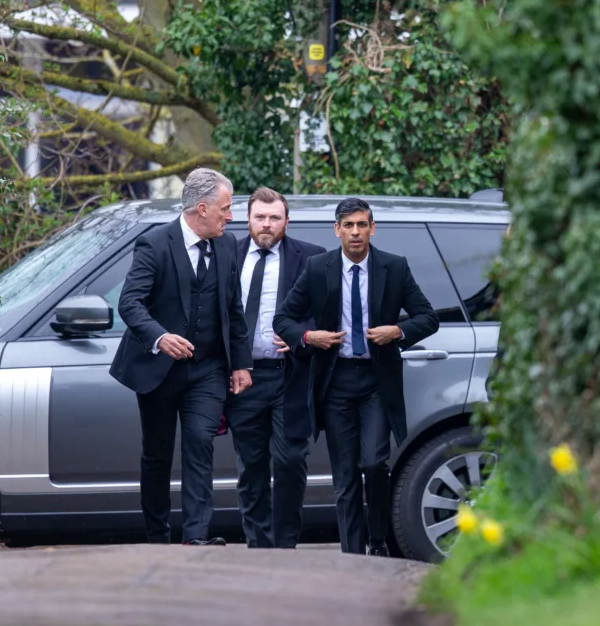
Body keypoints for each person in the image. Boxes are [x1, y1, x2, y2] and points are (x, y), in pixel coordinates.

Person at [273, 198, 439, 556]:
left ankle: (377, 540)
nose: (355, 232)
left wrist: (397, 331)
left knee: (373, 463)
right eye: (348, 226)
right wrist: (308, 337)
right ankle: (352, 554)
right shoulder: (319, 268)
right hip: (336, 383)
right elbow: (283, 319)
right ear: (337, 230)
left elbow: (428, 317)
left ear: (372, 228)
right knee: (345, 475)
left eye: (362, 225)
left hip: (377, 382)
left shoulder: (394, 268)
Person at [110, 168, 253, 546]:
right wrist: (160, 337)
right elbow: (130, 303)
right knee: (157, 455)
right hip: (158, 370)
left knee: (199, 443)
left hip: (207, 368)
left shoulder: (227, 246)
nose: (231, 216)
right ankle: (158, 537)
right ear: (202, 209)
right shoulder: (154, 245)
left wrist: (240, 363)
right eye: (225, 208)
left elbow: (233, 310)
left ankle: (195, 539)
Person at [227, 187, 325, 548]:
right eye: (260, 217)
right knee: (250, 466)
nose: (266, 225)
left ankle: (285, 546)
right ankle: (258, 546)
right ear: (247, 219)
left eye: (274, 218)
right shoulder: (226, 254)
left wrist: (304, 334)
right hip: (245, 377)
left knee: (290, 460)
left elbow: (328, 310)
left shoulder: (311, 258)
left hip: (291, 375)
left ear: (286, 221)